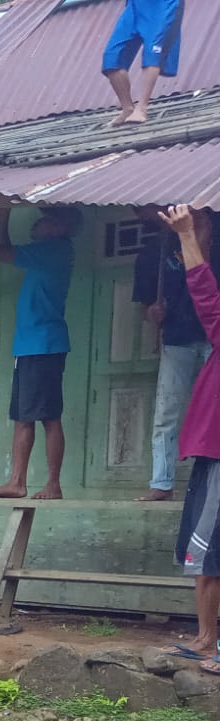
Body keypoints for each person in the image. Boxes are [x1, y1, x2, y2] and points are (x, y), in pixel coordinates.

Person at [0, 205, 82, 500]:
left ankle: (51, 484)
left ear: (59, 229)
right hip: (31, 347)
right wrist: (2, 215)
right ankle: (17, 481)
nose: (38, 222)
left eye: (47, 220)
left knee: (48, 416)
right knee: (24, 417)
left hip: (43, 345)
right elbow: (3, 251)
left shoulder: (53, 251)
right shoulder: (45, 254)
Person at [162, 204, 220, 673]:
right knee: (202, 553)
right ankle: (205, 639)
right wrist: (187, 235)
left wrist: (187, 234)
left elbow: (204, 291)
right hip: (211, 454)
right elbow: (204, 290)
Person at [133, 205, 213, 501]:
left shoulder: (213, 232)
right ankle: (161, 482)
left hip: (214, 336)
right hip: (177, 337)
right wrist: (151, 313)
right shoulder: (152, 252)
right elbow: (145, 306)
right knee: (167, 412)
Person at [102, 0, 183, 127]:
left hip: (162, 5)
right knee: (112, 56)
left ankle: (142, 108)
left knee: (152, 52)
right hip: (135, 5)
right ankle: (128, 108)